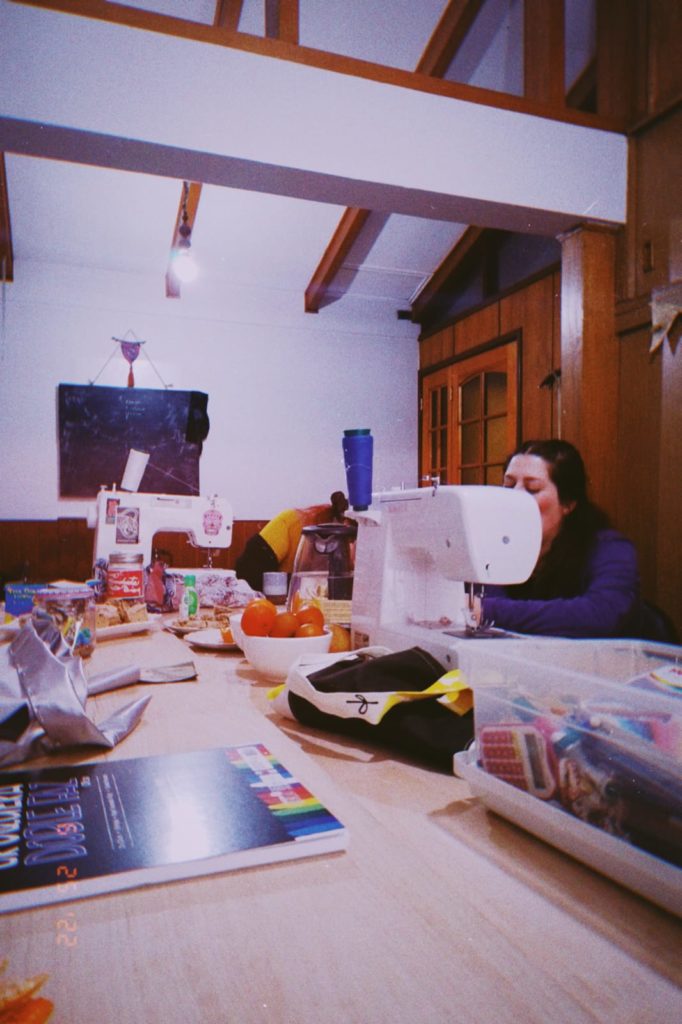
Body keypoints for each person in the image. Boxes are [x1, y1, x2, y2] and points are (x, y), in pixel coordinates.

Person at [474, 439, 675, 640]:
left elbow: (602, 615)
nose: (515, 497)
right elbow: (482, 605)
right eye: (509, 485)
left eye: (533, 489)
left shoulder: (610, 548)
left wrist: (488, 611)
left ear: (568, 502)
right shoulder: (497, 549)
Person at [235, 491, 350, 592]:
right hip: (260, 564)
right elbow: (249, 572)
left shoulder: (314, 518)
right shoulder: (301, 523)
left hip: (267, 560)